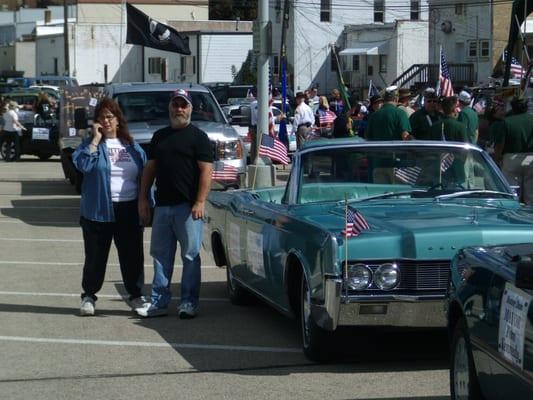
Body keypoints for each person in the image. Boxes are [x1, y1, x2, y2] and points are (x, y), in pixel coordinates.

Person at [136, 89, 213, 319]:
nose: (179, 109)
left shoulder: (198, 137)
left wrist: (200, 201)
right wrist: (143, 198)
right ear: (169, 107)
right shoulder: (159, 136)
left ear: (190, 108)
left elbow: (206, 171)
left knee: (190, 256)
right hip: (163, 207)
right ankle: (159, 303)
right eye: (175, 104)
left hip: (188, 208)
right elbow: (149, 169)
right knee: (160, 256)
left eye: (183, 105)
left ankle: (188, 302)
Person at [72, 97, 149, 316]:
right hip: (98, 211)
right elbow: (83, 165)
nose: (106, 121)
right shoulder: (90, 145)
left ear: (118, 119)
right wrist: (95, 141)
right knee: (95, 257)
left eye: (109, 116)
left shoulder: (132, 146)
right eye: (101, 117)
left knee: (132, 256)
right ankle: (89, 295)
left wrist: (146, 204)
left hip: (128, 209)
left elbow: (144, 176)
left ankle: (136, 295)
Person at [494, 96, 533, 205]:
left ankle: (513, 216)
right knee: (531, 195)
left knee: (512, 193)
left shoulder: (506, 122)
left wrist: (497, 158)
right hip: (530, 158)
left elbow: (499, 144)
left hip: (510, 158)